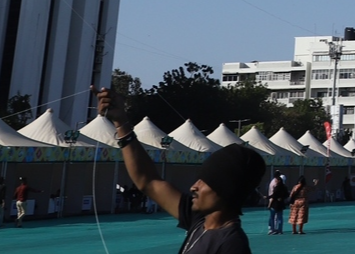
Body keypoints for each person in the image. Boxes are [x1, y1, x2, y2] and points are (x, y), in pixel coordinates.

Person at [98, 85, 265, 254]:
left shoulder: (232, 245)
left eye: (206, 181)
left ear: (227, 190)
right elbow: (148, 181)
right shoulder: (198, 220)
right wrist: (120, 122)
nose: (194, 187)